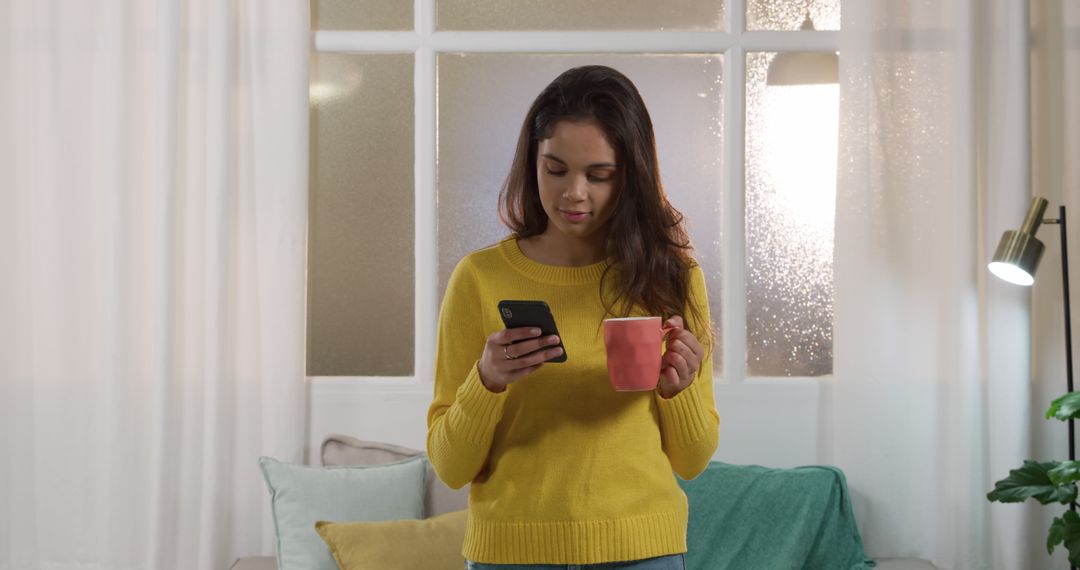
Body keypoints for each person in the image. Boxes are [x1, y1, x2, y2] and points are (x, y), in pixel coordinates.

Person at [426, 64, 719, 570]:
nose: (573, 193)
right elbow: (451, 467)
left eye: (599, 174)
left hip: (643, 552)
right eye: (555, 170)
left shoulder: (672, 277)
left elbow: (692, 461)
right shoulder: (479, 278)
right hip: (511, 555)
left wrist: (680, 390)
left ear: (631, 175)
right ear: (531, 163)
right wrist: (487, 381)